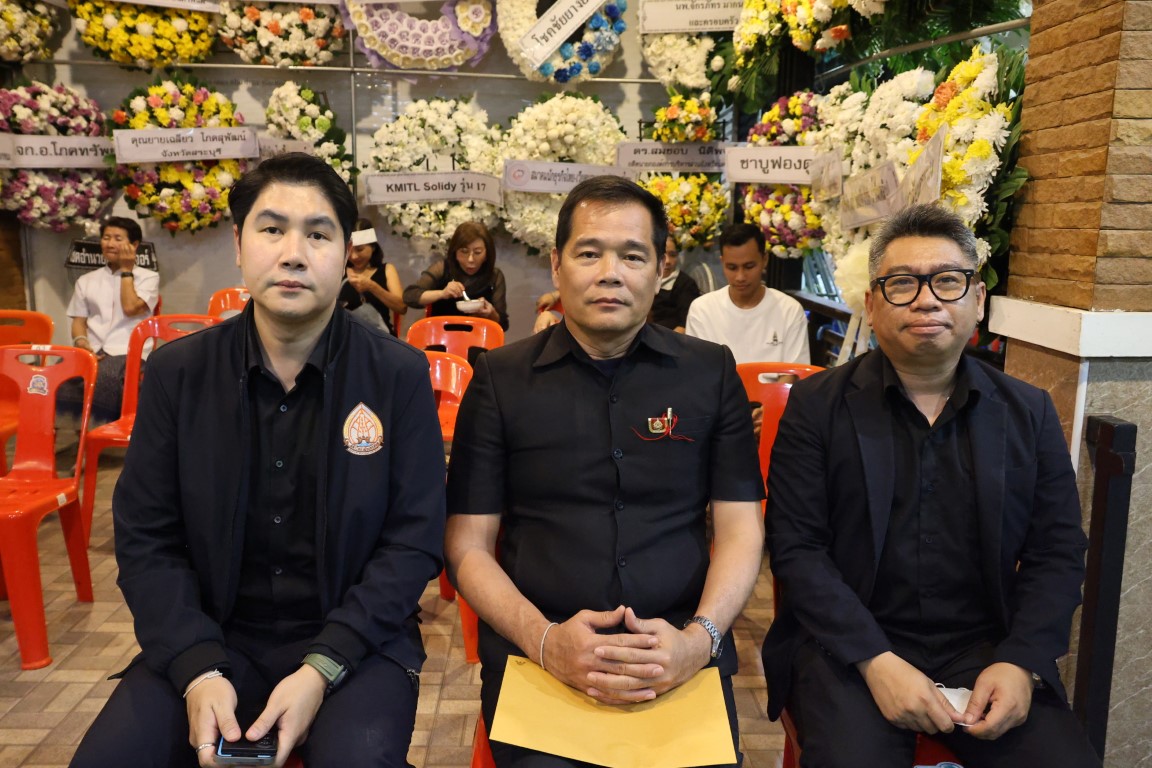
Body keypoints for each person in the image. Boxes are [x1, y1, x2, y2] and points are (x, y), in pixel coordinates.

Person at [70, 153, 446, 768]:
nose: (293, 254)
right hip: (211, 633)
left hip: (357, 642)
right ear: (239, 246)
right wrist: (196, 667)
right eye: (272, 229)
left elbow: (414, 541)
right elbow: (146, 539)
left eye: (318, 234)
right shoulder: (177, 374)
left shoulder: (396, 375)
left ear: (346, 255)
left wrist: (323, 666)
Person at [761, 204, 1102, 768]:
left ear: (978, 300)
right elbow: (798, 550)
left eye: (947, 281)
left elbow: (1057, 550)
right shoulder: (817, 407)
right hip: (848, 645)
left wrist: (1021, 661)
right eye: (902, 283)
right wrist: (875, 660)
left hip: (984, 646)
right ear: (871, 305)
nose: (926, 300)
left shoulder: (1028, 411)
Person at [445, 176, 766, 767]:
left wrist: (699, 642)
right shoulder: (500, 381)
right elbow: (467, 544)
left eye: (633, 256)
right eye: (589, 253)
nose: (610, 273)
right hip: (540, 655)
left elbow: (742, 529)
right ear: (557, 265)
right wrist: (545, 641)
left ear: (660, 269)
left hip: (678, 650)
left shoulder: (710, 373)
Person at [66, 216, 159, 420]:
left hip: (128, 350)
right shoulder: (86, 280)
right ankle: (70, 428)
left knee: (104, 376)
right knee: (62, 373)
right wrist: (81, 342)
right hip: (93, 349)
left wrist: (126, 270)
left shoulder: (148, 277)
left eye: (118, 238)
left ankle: (102, 429)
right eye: (106, 237)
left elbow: (130, 308)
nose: (110, 243)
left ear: (134, 245)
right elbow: (79, 321)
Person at [684, 223, 810, 365]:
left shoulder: (789, 310)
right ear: (722, 262)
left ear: (764, 260)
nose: (740, 277)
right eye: (732, 268)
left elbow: (795, 371)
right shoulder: (702, 310)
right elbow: (697, 368)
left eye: (749, 267)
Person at [403, 221, 509, 329]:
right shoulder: (442, 268)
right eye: (464, 251)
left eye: (477, 252)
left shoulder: (494, 276)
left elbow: (503, 325)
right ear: (455, 252)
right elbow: (410, 296)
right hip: (442, 334)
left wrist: (491, 313)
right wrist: (442, 293)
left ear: (487, 254)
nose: (470, 259)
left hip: (479, 336)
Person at [338, 218, 407, 335]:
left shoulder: (387, 269)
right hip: (345, 335)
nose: (354, 256)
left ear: (373, 247)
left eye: (360, 250)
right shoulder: (339, 270)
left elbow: (402, 307)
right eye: (349, 251)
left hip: (379, 336)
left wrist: (372, 286)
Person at [649, 235, 701, 332]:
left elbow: (685, 325)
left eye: (672, 255)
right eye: (662, 255)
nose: (667, 261)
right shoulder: (644, 279)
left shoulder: (686, 284)